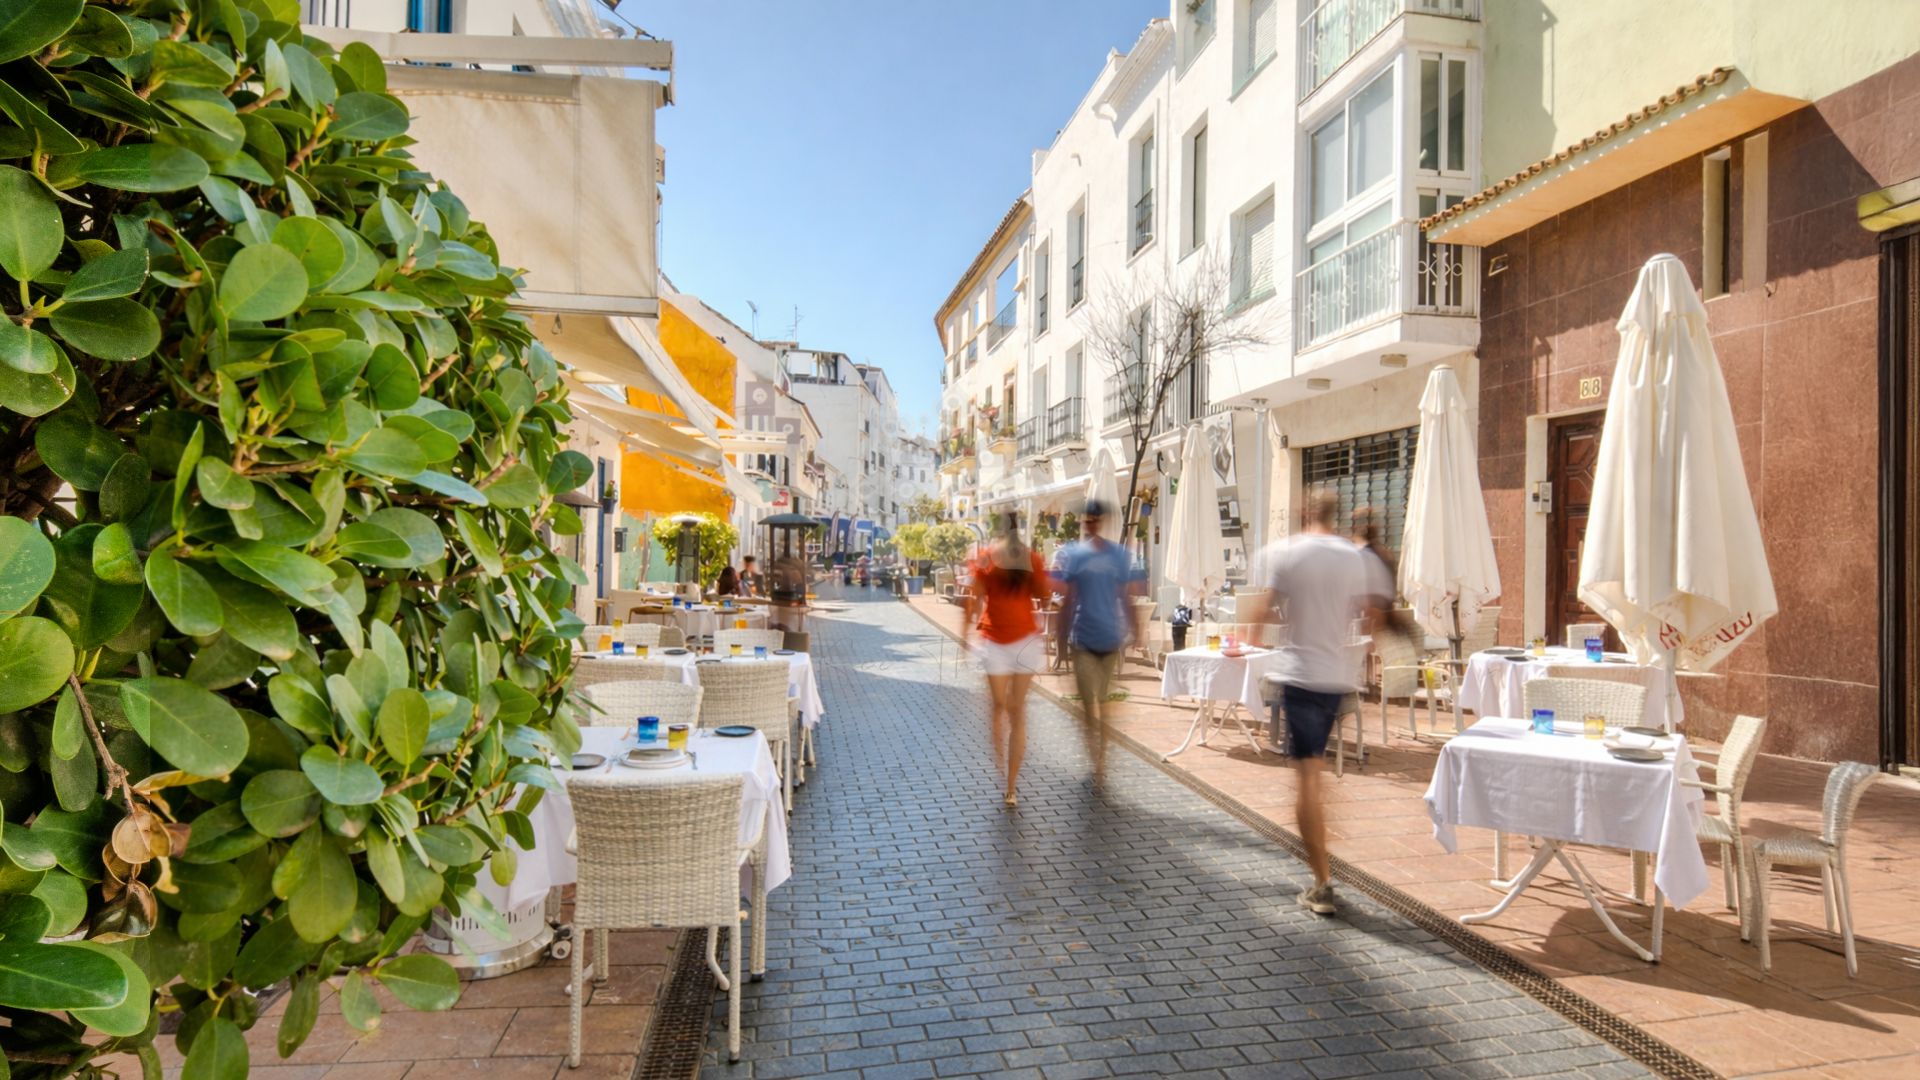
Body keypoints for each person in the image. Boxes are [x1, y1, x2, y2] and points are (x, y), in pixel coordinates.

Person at [1260, 491, 1390, 916]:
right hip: (1336, 679)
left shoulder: (1289, 552)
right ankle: (1324, 862)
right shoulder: (1355, 558)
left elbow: (1264, 609)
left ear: (1305, 512)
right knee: (1317, 773)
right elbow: (1374, 614)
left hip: (1301, 676)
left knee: (1308, 781)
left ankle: (1322, 883)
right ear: (1336, 517)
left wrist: (1259, 635)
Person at [1054, 499, 1145, 787]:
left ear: (1100, 521)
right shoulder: (1075, 555)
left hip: (1109, 639)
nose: (1089, 524)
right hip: (1082, 638)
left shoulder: (1119, 555)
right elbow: (1069, 599)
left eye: (1093, 520)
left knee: (1103, 704)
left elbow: (1126, 596)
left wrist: (1136, 629)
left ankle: (1101, 761)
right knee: (1087, 707)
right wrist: (1061, 639)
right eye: (1086, 520)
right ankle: (1095, 759)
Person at [962, 517, 1051, 807]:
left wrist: (964, 633)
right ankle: (1009, 781)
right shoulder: (1030, 557)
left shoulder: (988, 557)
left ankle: (1007, 777)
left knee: (1002, 707)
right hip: (1022, 639)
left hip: (1000, 640)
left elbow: (973, 598)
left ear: (999, 530)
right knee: (1014, 710)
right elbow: (1044, 595)